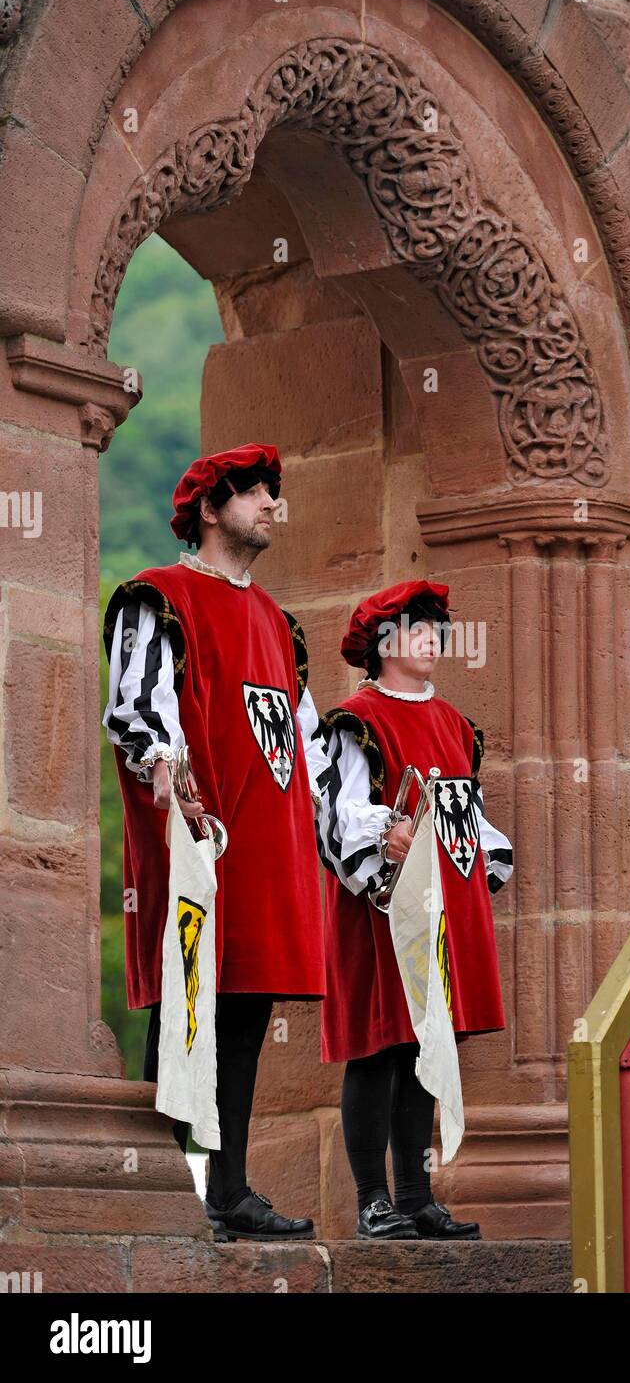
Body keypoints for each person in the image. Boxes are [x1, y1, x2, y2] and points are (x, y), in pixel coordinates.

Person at [102, 442, 327, 1242]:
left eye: (275, 491)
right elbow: (135, 706)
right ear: (208, 507)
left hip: (267, 853)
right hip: (197, 838)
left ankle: (228, 1189)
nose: (272, 504)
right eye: (258, 492)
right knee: (184, 1002)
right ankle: (165, 1185)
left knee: (243, 1011)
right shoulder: (158, 599)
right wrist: (167, 768)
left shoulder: (279, 623)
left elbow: (301, 747)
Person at [316, 580, 513, 1240]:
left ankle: (416, 1196)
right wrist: (384, 832)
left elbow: (468, 815)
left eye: (436, 628)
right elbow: (337, 811)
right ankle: (373, 1198)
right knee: (378, 1048)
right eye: (417, 627)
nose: (433, 638)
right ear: (382, 643)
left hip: (443, 911)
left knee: (426, 1050)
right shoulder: (356, 718)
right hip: (381, 909)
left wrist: (484, 858)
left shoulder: (456, 723)